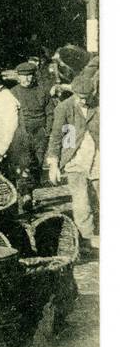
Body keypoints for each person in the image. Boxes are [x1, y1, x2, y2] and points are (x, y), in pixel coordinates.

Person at [46, 73, 99, 254]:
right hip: (75, 158)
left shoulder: (100, 104)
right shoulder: (64, 108)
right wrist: (54, 164)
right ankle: (87, 239)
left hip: (99, 156)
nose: (84, 102)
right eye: (80, 98)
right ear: (74, 93)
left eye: (88, 98)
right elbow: (57, 137)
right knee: (81, 200)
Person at [10, 60, 53, 207]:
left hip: (40, 134)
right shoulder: (13, 93)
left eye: (29, 76)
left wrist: (47, 131)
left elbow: (50, 113)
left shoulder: (42, 92)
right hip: (21, 133)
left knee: (37, 164)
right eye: (23, 76)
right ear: (18, 77)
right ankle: (26, 194)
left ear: (34, 76)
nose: (27, 79)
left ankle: (30, 191)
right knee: (23, 164)